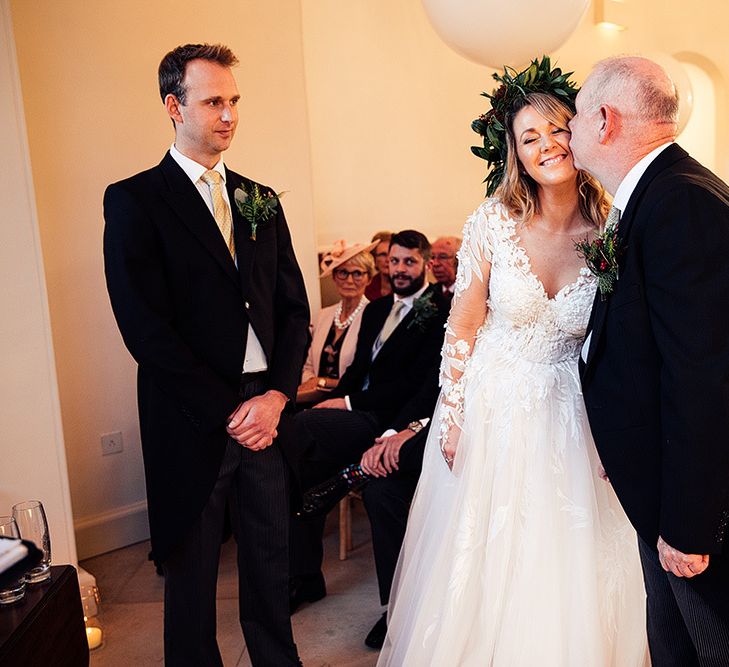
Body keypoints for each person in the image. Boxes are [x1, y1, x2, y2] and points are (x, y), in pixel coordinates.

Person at [378, 58, 648, 665]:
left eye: (558, 129)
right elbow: (464, 323)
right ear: (516, 155)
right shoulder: (491, 224)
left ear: (580, 132)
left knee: (569, 557)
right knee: (488, 558)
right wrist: (450, 414)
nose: (548, 145)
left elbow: (622, 341)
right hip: (495, 411)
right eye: (530, 138)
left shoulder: (611, 228)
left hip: (575, 413)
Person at [103, 43, 309, 666]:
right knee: (190, 566)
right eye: (213, 101)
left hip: (266, 411)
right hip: (190, 413)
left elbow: (294, 310)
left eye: (234, 101)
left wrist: (275, 396)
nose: (228, 115)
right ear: (174, 105)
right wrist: (226, 409)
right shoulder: (135, 199)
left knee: (271, 556)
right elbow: (144, 327)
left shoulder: (260, 199)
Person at [570, 55, 729, 665]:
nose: (571, 130)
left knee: (707, 644)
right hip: (654, 481)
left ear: (606, 120)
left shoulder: (679, 204)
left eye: (579, 115)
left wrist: (690, 523)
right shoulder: (650, 197)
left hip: (686, 504)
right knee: (670, 644)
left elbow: (703, 374)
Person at [286, 231, 448, 612]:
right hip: (357, 410)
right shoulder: (375, 309)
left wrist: (344, 403)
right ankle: (305, 575)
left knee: (300, 429)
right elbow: (358, 369)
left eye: (409, 262)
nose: (400, 269)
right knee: (301, 466)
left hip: (385, 419)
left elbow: (415, 387)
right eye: (394, 261)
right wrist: (332, 398)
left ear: (425, 264)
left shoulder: (440, 312)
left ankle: (394, 609)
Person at [297, 240, 376, 405]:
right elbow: (308, 365)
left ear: (369, 279)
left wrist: (322, 383)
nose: (349, 280)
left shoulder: (373, 316)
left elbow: (368, 376)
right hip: (313, 398)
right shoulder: (323, 315)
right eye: (343, 272)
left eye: (357, 273)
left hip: (350, 402)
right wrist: (313, 384)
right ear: (334, 277)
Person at [428, 236, 461, 303]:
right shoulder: (428, 294)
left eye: (443, 257)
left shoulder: (474, 293)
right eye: (432, 257)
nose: (435, 264)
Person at [365, 231, 393, 300]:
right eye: (383, 255)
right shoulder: (367, 287)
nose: (388, 260)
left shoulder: (407, 287)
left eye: (391, 254)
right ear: (374, 259)